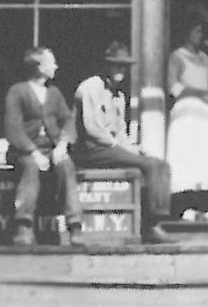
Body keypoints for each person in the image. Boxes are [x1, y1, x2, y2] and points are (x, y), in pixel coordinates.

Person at [72, 42, 174, 244]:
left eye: (124, 66)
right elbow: (93, 129)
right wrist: (119, 147)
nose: (121, 70)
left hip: (109, 148)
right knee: (149, 165)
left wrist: (133, 148)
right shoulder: (90, 88)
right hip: (91, 149)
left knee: (160, 164)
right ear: (106, 66)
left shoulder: (118, 96)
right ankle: (150, 226)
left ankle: (156, 219)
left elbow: (120, 132)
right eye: (116, 65)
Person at [4, 46, 83, 246]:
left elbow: (68, 120)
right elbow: (13, 128)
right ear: (39, 66)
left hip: (51, 148)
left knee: (66, 166)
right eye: (51, 63)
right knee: (30, 167)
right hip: (23, 150)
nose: (56, 67)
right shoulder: (18, 91)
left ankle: (75, 226)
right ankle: (23, 226)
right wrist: (33, 152)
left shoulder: (54, 93)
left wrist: (62, 144)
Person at [166, 16, 208, 222]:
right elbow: (173, 87)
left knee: (207, 157)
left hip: (205, 113)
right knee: (187, 158)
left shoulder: (204, 57)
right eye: (197, 31)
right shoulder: (177, 56)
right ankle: (186, 208)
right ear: (187, 33)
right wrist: (199, 93)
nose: (200, 36)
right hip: (186, 112)